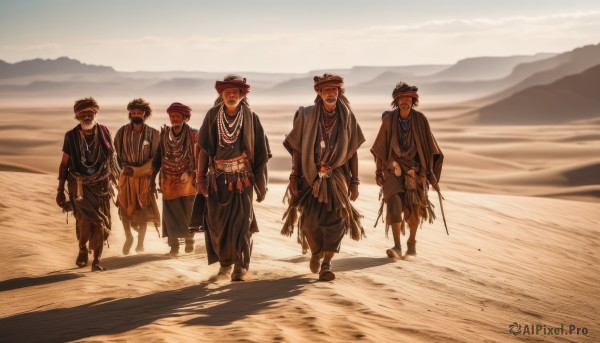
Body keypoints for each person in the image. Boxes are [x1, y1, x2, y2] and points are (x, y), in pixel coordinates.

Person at [281, 73, 365, 281]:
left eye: (334, 90)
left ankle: (326, 264)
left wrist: (354, 181)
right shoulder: (307, 115)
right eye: (326, 90)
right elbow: (298, 148)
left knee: (336, 220)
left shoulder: (347, 116)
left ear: (339, 92)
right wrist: (294, 176)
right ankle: (316, 252)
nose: (330, 94)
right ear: (319, 92)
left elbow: (353, 151)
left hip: (337, 177)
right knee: (309, 223)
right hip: (310, 174)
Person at [196, 74, 270, 282]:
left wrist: (261, 185)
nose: (231, 95)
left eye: (235, 92)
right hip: (217, 179)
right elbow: (203, 149)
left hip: (242, 180)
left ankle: (240, 266)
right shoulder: (212, 116)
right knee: (217, 225)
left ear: (241, 95)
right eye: (227, 92)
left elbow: (262, 154)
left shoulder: (251, 117)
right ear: (221, 94)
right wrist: (200, 178)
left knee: (242, 223)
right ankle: (225, 264)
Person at [370, 82, 444, 258]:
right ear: (396, 101)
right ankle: (397, 246)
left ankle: (411, 242)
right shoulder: (389, 120)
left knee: (413, 208)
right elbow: (381, 147)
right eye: (401, 98)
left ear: (413, 100)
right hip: (392, 170)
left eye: (408, 98)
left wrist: (425, 173)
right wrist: (378, 171)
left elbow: (429, 147)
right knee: (394, 203)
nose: (405, 101)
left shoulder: (420, 120)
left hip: (415, 171)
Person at [56, 97, 120, 271]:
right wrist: (60, 190)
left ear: (95, 113)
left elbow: (112, 159)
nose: (86, 115)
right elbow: (64, 163)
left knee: (101, 224)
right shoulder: (71, 136)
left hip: (101, 187)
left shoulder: (104, 131)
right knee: (85, 220)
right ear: (77, 115)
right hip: (79, 187)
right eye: (82, 113)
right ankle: (83, 248)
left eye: (89, 112)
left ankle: (97, 260)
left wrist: (118, 184)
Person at [114, 98, 160, 255]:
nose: (136, 115)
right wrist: (123, 170)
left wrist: (141, 170)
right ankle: (129, 237)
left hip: (145, 177)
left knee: (143, 209)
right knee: (124, 208)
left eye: (139, 112)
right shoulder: (121, 133)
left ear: (145, 114)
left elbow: (156, 157)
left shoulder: (154, 134)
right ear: (130, 114)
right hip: (126, 177)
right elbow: (117, 155)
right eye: (133, 112)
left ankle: (140, 242)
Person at [152, 102, 197, 256]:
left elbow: (200, 157)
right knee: (170, 214)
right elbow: (158, 158)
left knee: (188, 211)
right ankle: (174, 247)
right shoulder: (165, 135)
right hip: (168, 179)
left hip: (189, 179)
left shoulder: (194, 135)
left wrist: (192, 171)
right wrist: (152, 178)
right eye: (172, 116)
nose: (174, 119)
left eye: (178, 116)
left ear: (185, 118)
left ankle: (190, 239)